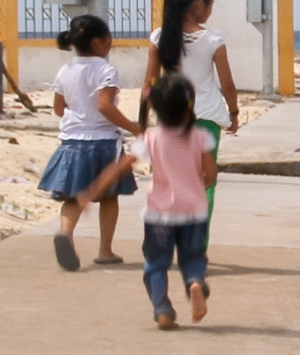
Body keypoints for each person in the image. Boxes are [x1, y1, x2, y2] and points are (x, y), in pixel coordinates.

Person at [81, 74, 217, 330]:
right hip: (194, 212)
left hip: (159, 214)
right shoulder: (200, 137)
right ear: (190, 107)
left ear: (155, 108)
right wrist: (200, 185)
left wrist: (92, 190)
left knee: (155, 263)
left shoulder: (151, 138)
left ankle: (163, 309)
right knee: (193, 257)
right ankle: (195, 282)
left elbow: (121, 166)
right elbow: (211, 173)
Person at [38, 14, 142, 271]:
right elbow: (105, 106)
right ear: (98, 43)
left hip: (72, 142)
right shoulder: (106, 70)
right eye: (109, 39)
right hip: (104, 143)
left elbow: (59, 108)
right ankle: (105, 251)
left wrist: (78, 114)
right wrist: (133, 127)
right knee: (109, 198)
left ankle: (65, 234)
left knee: (72, 197)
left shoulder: (65, 70)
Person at [140, 0, 240, 223]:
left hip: (170, 120)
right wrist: (234, 113)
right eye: (210, 4)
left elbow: (150, 84)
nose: (210, 10)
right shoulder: (214, 39)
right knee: (205, 182)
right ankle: (196, 245)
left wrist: (143, 121)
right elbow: (227, 84)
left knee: (169, 181)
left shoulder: (158, 38)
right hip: (206, 119)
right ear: (198, 5)